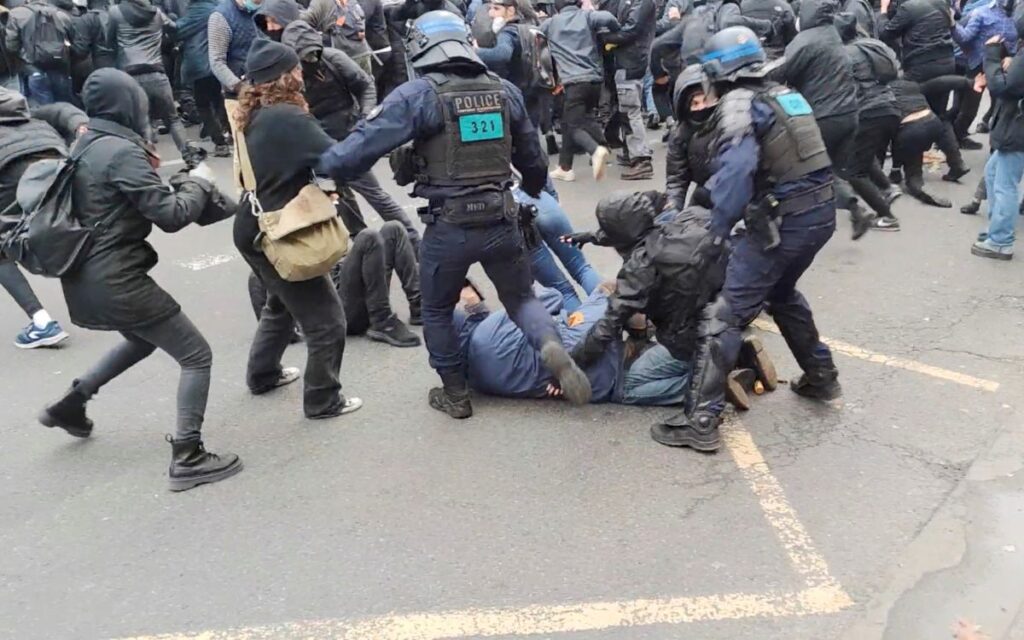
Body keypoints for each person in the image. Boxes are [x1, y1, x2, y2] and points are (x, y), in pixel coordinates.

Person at [318, 10, 593, 418]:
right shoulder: (503, 91)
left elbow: (356, 151)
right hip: (502, 218)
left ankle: (455, 394)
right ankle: (549, 344)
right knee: (521, 298)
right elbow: (533, 161)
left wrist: (320, 164)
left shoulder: (419, 94)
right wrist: (533, 190)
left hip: (449, 225)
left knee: (436, 309)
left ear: (421, 46)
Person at [37, 68, 242, 491]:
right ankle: (188, 455)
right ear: (129, 104)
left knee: (142, 339)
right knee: (196, 356)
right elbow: (171, 215)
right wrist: (198, 183)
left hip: (84, 277)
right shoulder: (120, 152)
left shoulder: (87, 142)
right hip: (116, 279)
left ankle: (71, 403)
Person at [648, 27, 841, 452]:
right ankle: (821, 375)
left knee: (724, 314)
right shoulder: (784, 94)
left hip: (783, 223)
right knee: (783, 293)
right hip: (820, 215)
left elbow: (736, 173)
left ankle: (701, 421)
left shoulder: (739, 104)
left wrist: (717, 232)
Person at [233, 39, 363, 419]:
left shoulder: (255, 111)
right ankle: (323, 399)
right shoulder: (287, 117)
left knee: (281, 302)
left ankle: (262, 374)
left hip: (252, 226)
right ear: (285, 75)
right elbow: (339, 157)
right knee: (327, 322)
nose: (302, 73)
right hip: (280, 231)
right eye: (296, 68)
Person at [281, 19, 422, 249]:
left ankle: (414, 243)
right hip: (317, 140)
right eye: (303, 56)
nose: (310, 59)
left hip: (349, 135)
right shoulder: (288, 74)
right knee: (341, 197)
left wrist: (365, 118)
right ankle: (364, 243)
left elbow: (365, 85)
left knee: (374, 193)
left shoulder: (334, 59)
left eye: (312, 53)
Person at [779, 0, 870, 239]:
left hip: (823, 115)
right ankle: (831, 218)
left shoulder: (805, 40)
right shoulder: (831, 32)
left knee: (811, 168)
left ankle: (852, 207)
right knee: (833, 170)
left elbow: (783, 72)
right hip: (849, 113)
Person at [0, 88, 78, 349]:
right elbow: (61, 110)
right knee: (70, 226)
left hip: (13, 171)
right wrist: (80, 124)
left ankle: (42, 323)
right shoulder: (33, 119)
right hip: (58, 165)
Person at [107, 0, 198, 163]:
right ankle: (189, 156)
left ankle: (145, 161)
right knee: (172, 119)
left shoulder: (115, 12)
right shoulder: (157, 13)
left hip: (130, 76)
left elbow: (109, 42)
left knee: (141, 121)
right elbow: (175, 28)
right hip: (156, 73)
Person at [837, 12, 903, 231]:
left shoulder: (845, 54)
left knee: (854, 172)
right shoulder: (873, 44)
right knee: (863, 156)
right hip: (890, 106)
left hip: (868, 111)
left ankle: (888, 217)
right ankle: (887, 188)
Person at [541, 0, 619, 182]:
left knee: (572, 125)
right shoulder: (588, 17)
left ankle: (595, 150)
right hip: (594, 81)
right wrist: (616, 29)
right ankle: (565, 167)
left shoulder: (550, 24)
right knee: (582, 118)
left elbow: (534, 36)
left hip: (573, 82)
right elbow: (608, 18)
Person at [973, 24, 1024, 260]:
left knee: (1005, 185)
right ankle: (997, 229)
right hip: (1014, 126)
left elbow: (1002, 87)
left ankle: (1001, 240)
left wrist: (992, 56)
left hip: (1017, 129)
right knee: (993, 173)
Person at [602, 0, 656, 180]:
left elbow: (631, 29)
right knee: (625, 110)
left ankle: (641, 159)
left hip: (631, 61)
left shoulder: (641, 2)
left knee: (631, 111)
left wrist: (606, 37)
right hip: (624, 60)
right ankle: (630, 151)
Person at [176, 0, 231, 157]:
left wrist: (167, 19)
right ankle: (227, 132)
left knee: (203, 104)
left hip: (203, 62)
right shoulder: (219, 5)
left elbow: (179, 30)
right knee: (219, 100)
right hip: (219, 60)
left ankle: (220, 141)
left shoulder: (199, 8)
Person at [664, 63, 717, 211]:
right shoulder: (680, 135)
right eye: (695, 103)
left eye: (706, 101)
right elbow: (676, 179)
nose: (701, 108)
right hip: (705, 194)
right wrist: (672, 207)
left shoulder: (729, 123)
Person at [5, 0, 76, 105]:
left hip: (33, 67)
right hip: (60, 67)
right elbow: (73, 39)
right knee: (65, 106)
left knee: (43, 108)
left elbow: (11, 46)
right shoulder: (61, 14)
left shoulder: (17, 13)